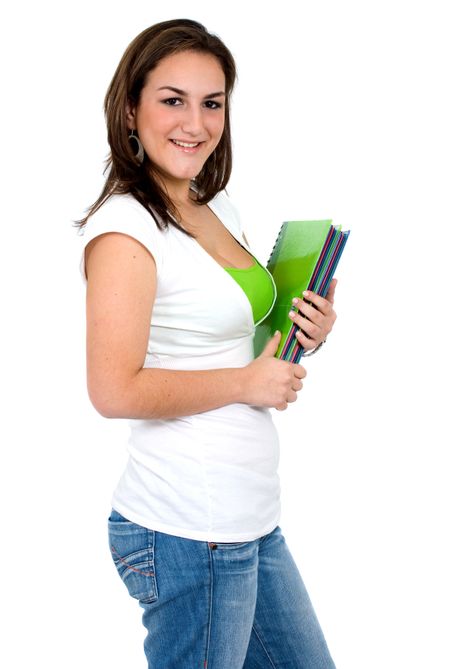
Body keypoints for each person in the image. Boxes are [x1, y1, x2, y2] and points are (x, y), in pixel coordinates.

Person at [78, 18, 338, 669]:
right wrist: (247, 384)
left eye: (212, 102)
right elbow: (112, 389)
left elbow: (232, 341)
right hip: (190, 531)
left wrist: (308, 329)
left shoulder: (211, 204)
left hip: (248, 520)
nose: (195, 121)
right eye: (173, 99)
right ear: (130, 108)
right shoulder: (124, 231)